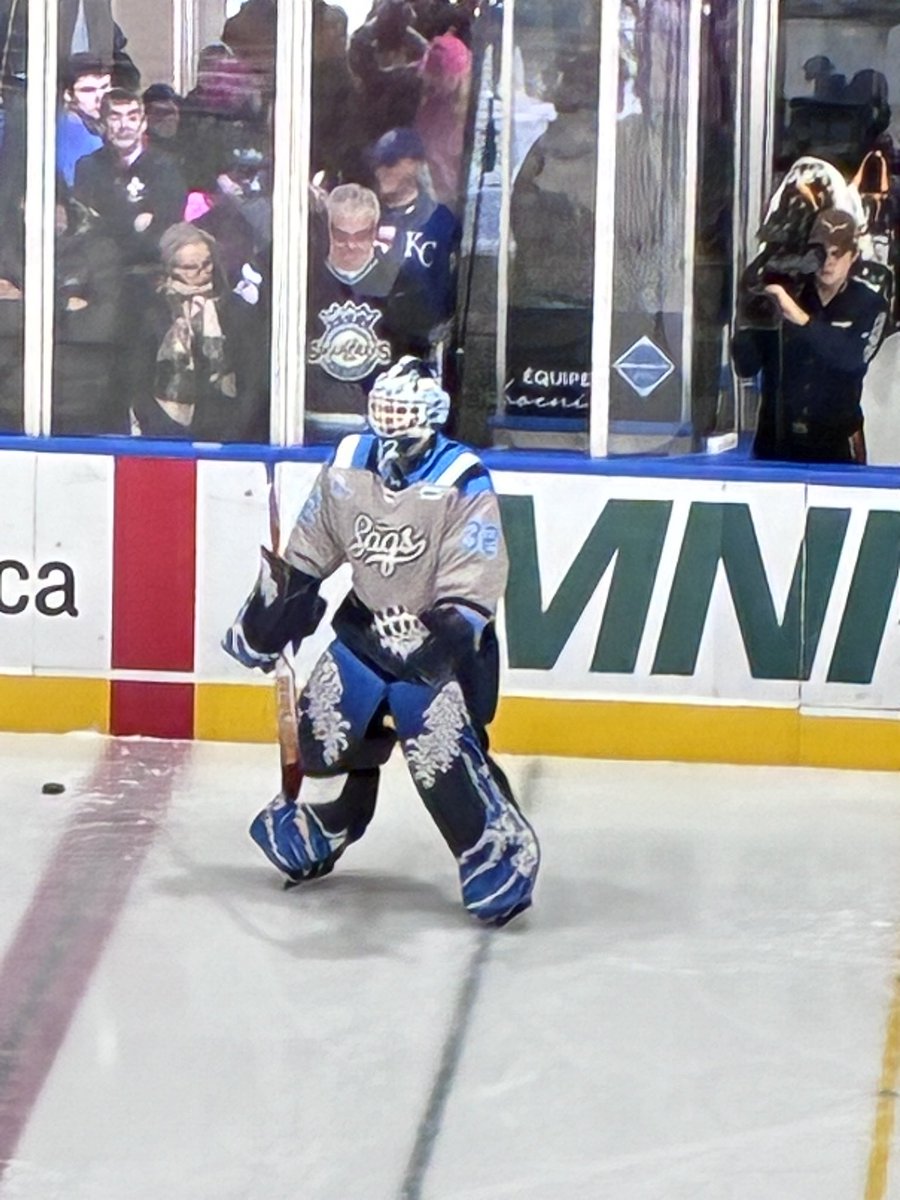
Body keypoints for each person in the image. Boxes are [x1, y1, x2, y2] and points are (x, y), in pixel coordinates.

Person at [223, 355, 540, 926]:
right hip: (365, 633)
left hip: (435, 653)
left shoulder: (460, 476)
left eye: (403, 409)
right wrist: (268, 617)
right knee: (323, 733)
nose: (390, 421)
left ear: (431, 413)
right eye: (384, 408)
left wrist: (439, 635)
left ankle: (493, 843)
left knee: (437, 757)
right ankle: (330, 818)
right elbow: (310, 551)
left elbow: (475, 578)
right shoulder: (348, 464)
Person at [732, 207, 889, 464]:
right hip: (776, 443)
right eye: (820, 252)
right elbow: (746, 365)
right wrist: (751, 313)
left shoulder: (869, 305)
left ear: (854, 256)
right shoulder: (788, 295)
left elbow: (852, 358)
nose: (828, 261)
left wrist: (801, 319)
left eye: (837, 254)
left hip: (836, 444)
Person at [126, 222, 268, 441]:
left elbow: (252, 380)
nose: (202, 272)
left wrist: (235, 431)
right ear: (170, 267)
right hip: (165, 433)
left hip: (229, 434)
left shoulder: (237, 310)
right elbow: (138, 380)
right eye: (191, 267)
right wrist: (160, 429)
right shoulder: (151, 312)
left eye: (207, 263)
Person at [73, 88, 186, 267]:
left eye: (132, 118)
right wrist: (135, 220)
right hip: (102, 265)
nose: (124, 125)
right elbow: (86, 223)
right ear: (102, 124)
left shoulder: (164, 166)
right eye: (115, 118)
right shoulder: (88, 167)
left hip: (154, 265)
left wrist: (111, 218)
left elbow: (167, 223)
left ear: (143, 125)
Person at [56, 53, 112, 185]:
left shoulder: (101, 126)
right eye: (88, 90)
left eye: (105, 87)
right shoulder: (69, 134)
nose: (100, 96)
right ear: (68, 95)